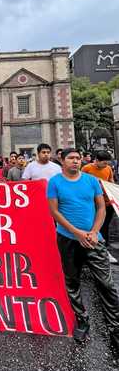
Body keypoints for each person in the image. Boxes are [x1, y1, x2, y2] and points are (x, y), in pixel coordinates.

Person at [47, 148, 119, 348]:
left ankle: (115, 327)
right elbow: (54, 211)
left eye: (78, 158)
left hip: (94, 239)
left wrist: (94, 231)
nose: (75, 161)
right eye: (71, 158)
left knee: (106, 284)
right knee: (72, 281)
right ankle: (82, 319)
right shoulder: (54, 182)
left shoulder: (91, 181)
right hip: (68, 239)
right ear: (62, 161)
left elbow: (101, 207)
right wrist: (76, 233)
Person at [82, 150, 117, 264]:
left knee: (105, 227)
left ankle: (104, 250)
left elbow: (111, 181)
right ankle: (91, 249)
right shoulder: (86, 169)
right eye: (104, 163)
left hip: (107, 202)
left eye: (107, 163)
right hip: (92, 203)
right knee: (94, 226)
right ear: (96, 160)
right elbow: (80, 182)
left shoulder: (108, 169)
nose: (106, 166)